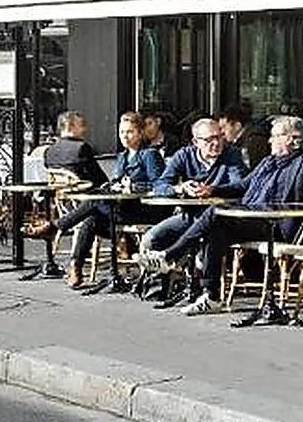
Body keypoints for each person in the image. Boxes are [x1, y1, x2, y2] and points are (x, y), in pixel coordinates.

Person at [161, 115, 303, 316]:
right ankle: (211, 295)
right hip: (253, 220)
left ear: (290, 138)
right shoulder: (268, 162)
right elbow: (243, 186)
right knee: (215, 229)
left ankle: (171, 255)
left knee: (216, 213)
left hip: (274, 226)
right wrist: (211, 190)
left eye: (274, 136)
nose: (269, 140)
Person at [26, 112, 164, 288]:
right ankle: (76, 268)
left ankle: (55, 227)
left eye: (130, 132)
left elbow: (160, 185)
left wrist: (134, 188)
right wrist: (114, 186)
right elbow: (112, 181)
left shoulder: (150, 155)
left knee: (94, 202)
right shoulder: (122, 157)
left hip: (143, 210)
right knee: (90, 221)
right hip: (122, 209)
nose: (125, 137)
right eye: (122, 132)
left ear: (140, 133)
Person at [141, 117, 249, 304]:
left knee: (205, 242)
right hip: (189, 215)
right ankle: (162, 285)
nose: (216, 143)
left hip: (218, 218)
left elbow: (240, 185)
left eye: (219, 137)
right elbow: (160, 184)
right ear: (195, 142)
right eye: (209, 140)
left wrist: (212, 190)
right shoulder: (184, 155)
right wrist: (180, 188)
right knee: (151, 238)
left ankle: (187, 276)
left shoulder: (232, 155)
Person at [40, 110, 109, 189]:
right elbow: (99, 178)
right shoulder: (81, 148)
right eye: (82, 125)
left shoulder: (49, 151)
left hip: (62, 197)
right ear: (69, 126)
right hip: (85, 195)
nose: (85, 129)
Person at [220, 105, 271, 171]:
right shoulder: (238, 142)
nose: (222, 132)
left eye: (224, 127)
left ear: (237, 126)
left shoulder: (253, 141)